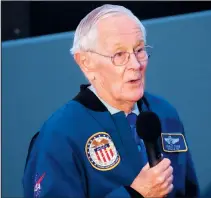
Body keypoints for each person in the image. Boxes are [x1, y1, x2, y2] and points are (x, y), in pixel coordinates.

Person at [23, 4, 200, 198]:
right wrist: (135, 194)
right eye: (119, 55)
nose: (135, 64)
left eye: (139, 49)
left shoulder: (164, 113)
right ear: (85, 63)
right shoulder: (60, 135)